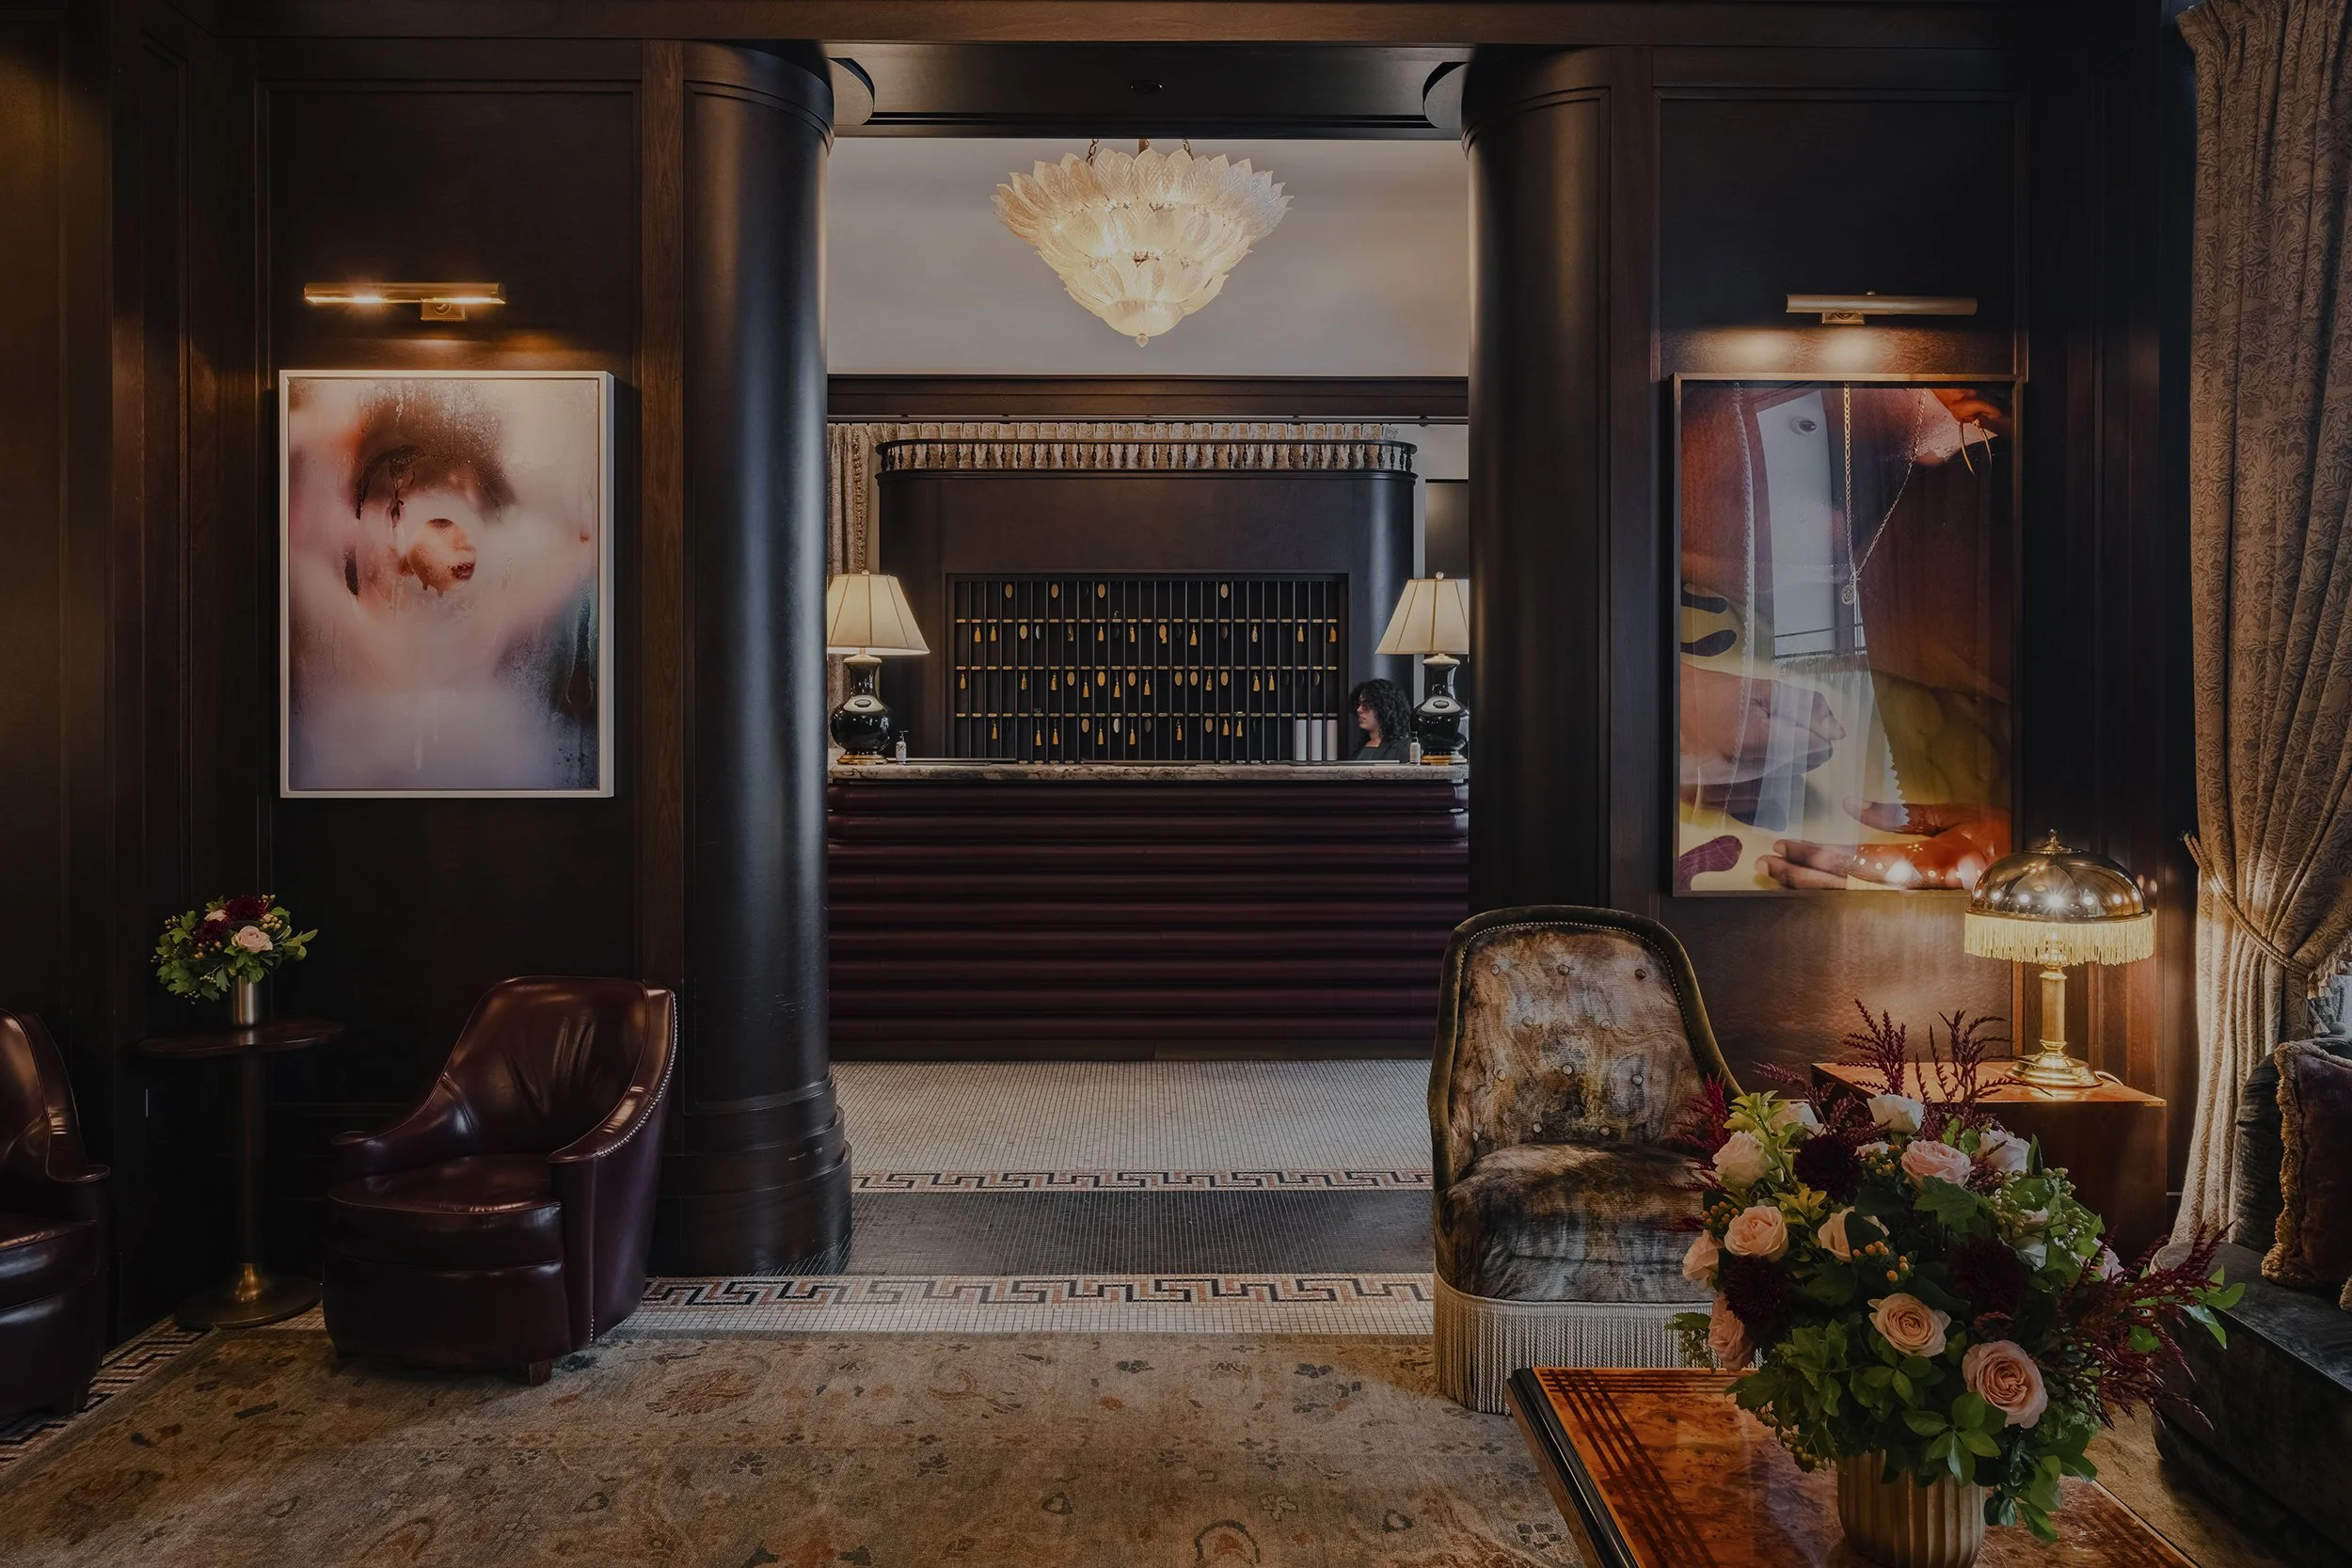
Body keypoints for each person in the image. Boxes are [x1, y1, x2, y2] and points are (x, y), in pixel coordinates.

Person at [1348, 678, 1414, 762]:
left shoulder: (1404, 747)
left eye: (1366, 705)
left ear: (1383, 708)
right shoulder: (1360, 746)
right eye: (1359, 704)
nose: (1359, 710)